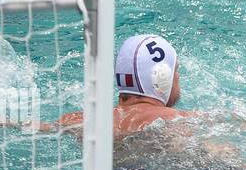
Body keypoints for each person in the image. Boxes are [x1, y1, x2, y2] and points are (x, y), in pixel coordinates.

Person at [52, 34, 190, 137]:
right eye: (175, 69)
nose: (178, 76)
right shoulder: (177, 120)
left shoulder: (77, 120)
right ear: (162, 77)